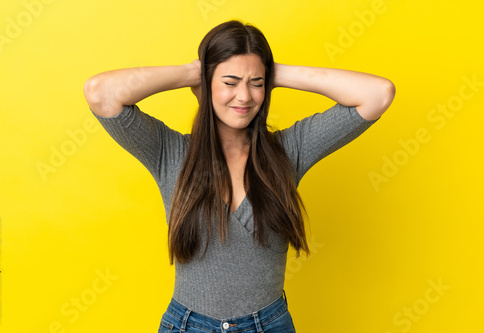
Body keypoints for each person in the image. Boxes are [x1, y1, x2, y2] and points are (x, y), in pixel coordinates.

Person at [84, 20, 395, 333]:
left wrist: (274, 72)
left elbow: (378, 94)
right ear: (207, 83)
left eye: (256, 83)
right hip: (189, 326)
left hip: (269, 325)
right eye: (230, 82)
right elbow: (100, 93)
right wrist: (193, 72)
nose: (244, 96)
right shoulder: (170, 152)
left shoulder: (289, 150)